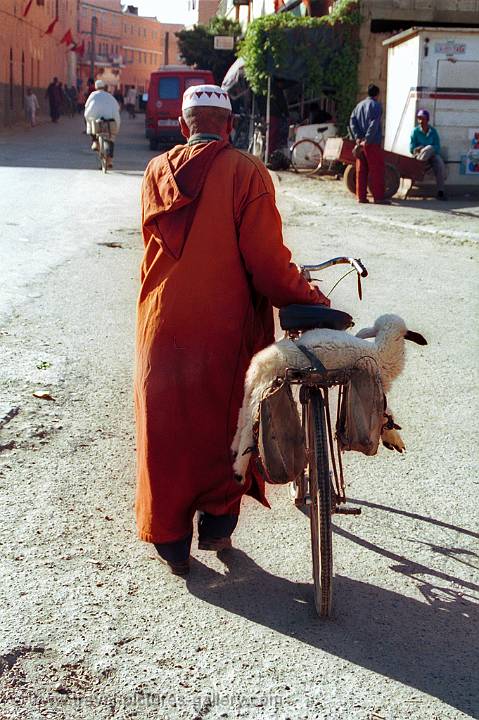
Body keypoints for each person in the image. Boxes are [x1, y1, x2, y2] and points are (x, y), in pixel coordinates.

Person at [135, 84, 331, 575]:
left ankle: (171, 540)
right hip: (222, 330)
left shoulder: (156, 172)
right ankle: (218, 524)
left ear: (183, 127)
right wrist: (309, 299)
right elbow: (266, 264)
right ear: (229, 128)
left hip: (159, 325)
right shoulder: (246, 172)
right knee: (228, 422)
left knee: (166, 427)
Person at [350, 84, 390, 205]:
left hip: (360, 141)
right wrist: (367, 139)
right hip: (371, 143)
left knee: (361, 170)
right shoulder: (376, 106)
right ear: (377, 94)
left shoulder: (359, 106)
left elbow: (352, 121)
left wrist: (358, 138)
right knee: (377, 170)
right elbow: (374, 125)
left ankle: (361, 196)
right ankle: (378, 197)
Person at [410, 109, 446, 200]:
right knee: (427, 148)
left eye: (423, 119)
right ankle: (419, 167)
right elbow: (411, 148)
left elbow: (437, 146)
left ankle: (440, 191)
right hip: (419, 156)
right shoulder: (415, 131)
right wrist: (419, 149)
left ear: (427, 120)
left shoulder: (433, 131)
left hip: (432, 155)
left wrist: (429, 149)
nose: (421, 121)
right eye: (419, 119)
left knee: (440, 164)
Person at [84, 79, 121, 168]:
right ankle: (110, 161)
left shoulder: (93, 95)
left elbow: (87, 107)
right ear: (104, 87)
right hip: (110, 122)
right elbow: (117, 107)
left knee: (88, 119)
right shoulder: (110, 96)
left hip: (97, 122)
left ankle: (94, 141)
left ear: (96, 87)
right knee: (111, 138)